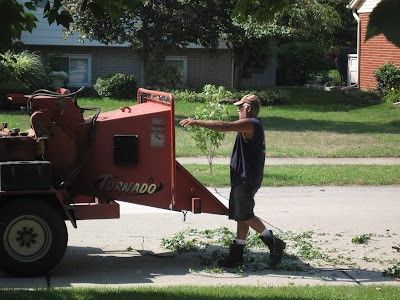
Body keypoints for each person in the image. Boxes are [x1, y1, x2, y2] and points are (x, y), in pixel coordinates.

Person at [180, 94, 286, 268]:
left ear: (249, 109)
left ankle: (274, 243)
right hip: (243, 178)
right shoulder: (252, 124)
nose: (238, 111)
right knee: (241, 216)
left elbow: (224, 126)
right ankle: (237, 254)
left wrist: (197, 122)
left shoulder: (251, 123)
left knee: (245, 215)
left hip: (246, 179)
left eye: (240, 107)